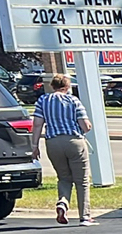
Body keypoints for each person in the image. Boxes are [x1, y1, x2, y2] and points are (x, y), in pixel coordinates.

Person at [29, 74, 95, 225]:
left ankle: (62, 203)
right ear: (67, 87)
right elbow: (85, 125)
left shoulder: (43, 100)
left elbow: (37, 124)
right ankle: (85, 216)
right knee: (82, 180)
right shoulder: (73, 101)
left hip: (52, 142)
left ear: (52, 86)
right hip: (74, 141)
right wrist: (86, 127)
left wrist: (34, 146)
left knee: (64, 177)